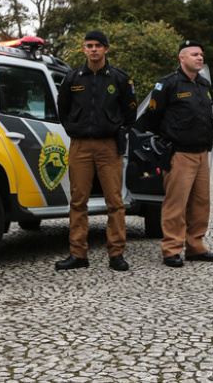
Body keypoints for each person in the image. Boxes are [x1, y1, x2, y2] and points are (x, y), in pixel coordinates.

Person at [55, 29, 137, 272]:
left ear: (106, 49)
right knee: (78, 201)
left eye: (98, 46)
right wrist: (74, 129)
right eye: (89, 45)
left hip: (108, 146)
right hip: (80, 146)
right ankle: (78, 254)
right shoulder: (73, 78)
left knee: (115, 201)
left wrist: (114, 129)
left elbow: (129, 113)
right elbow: (63, 110)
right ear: (84, 49)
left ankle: (116, 254)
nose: (93, 49)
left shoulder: (119, 79)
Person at [143, 40, 213, 268]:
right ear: (182, 58)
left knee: (200, 203)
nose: (200, 58)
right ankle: (172, 249)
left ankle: (196, 247)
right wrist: (167, 139)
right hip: (179, 154)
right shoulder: (168, 84)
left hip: (201, 155)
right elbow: (152, 117)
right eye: (195, 54)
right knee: (175, 204)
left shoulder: (204, 85)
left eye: (201, 54)